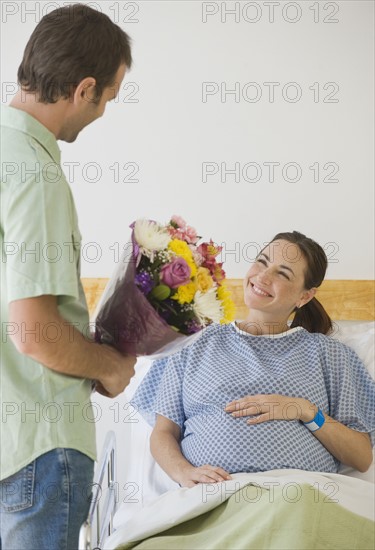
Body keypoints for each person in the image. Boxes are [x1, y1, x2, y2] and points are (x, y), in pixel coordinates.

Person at [0, 5, 136, 548]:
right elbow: (34, 332)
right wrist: (110, 366)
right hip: (39, 447)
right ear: (84, 89)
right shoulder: (35, 174)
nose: (103, 111)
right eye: (108, 98)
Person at [132, 231, 375, 488]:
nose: (263, 276)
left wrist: (306, 410)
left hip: (298, 501)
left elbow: (361, 457)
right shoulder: (194, 342)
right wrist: (183, 473)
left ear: (305, 296)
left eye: (282, 273)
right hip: (210, 500)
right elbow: (163, 432)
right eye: (262, 261)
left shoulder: (330, 355)